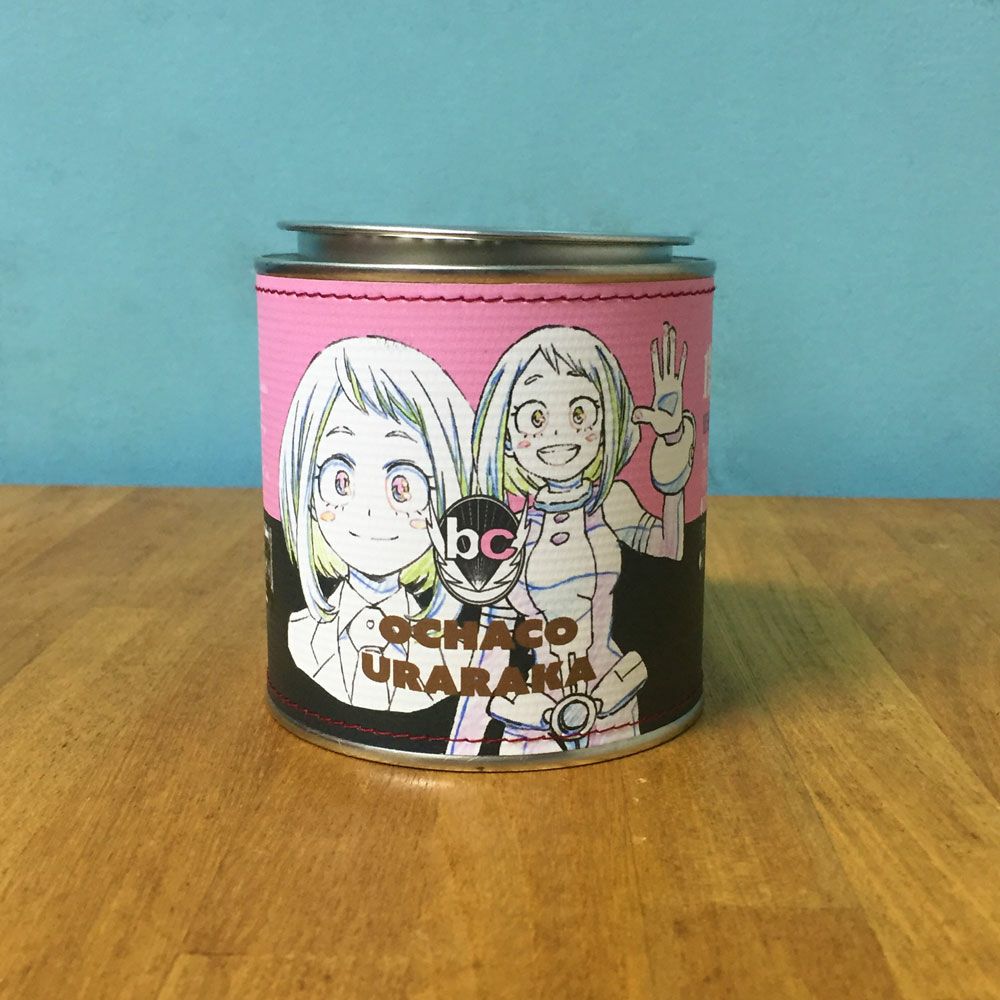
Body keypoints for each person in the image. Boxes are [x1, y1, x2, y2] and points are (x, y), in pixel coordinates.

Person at [448, 323, 696, 755]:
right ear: (506, 438)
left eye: (580, 413)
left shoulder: (610, 501)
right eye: (535, 418)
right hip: (534, 716)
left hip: (611, 699)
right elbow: (491, 646)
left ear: (607, 421)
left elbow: (670, 548)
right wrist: (462, 746)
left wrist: (672, 472)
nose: (559, 434)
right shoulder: (509, 533)